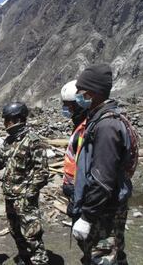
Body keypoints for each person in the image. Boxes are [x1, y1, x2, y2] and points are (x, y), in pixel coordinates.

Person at [72, 64, 135, 265]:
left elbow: (102, 178)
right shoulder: (101, 119)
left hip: (104, 212)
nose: (79, 96)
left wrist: (87, 217)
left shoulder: (107, 126)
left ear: (93, 92)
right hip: (104, 207)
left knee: (104, 257)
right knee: (113, 256)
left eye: (81, 92)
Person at [0, 102, 49, 265]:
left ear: (16, 119)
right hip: (10, 197)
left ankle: (38, 261)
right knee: (16, 232)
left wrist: (29, 194)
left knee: (32, 236)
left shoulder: (33, 140)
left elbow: (42, 172)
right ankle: (25, 259)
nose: (5, 123)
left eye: (7, 119)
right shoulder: (8, 141)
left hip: (24, 199)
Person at [60, 80, 88, 216]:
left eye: (69, 106)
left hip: (82, 195)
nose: (67, 109)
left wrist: (78, 196)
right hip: (75, 191)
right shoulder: (79, 125)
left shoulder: (86, 127)